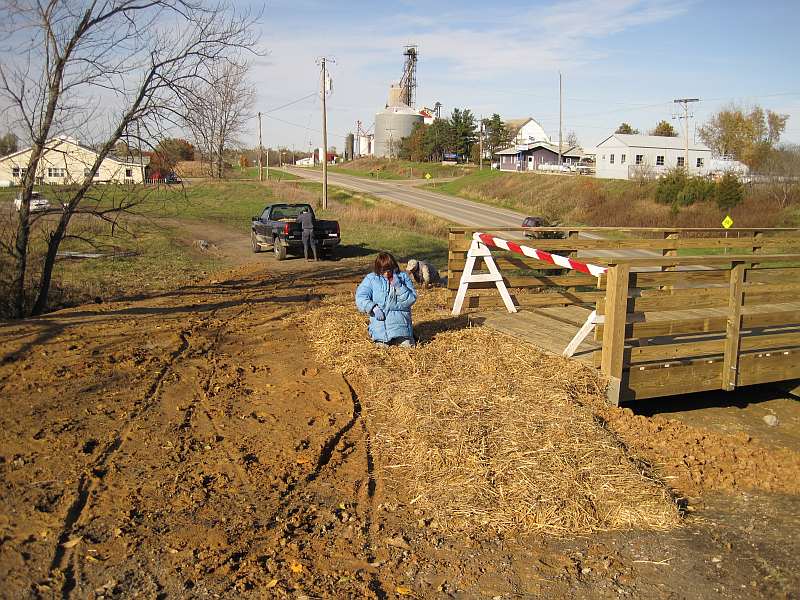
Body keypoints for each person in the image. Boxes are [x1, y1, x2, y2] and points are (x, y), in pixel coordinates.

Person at [356, 252, 417, 347]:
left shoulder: (403, 277)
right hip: (380, 328)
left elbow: (410, 300)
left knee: (407, 347)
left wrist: (399, 286)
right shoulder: (371, 279)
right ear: (378, 268)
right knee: (382, 348)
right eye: (383, 270)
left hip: (402, 327)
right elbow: (361, 297)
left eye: (389, 270)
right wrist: (373, 308)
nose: (387, 273)